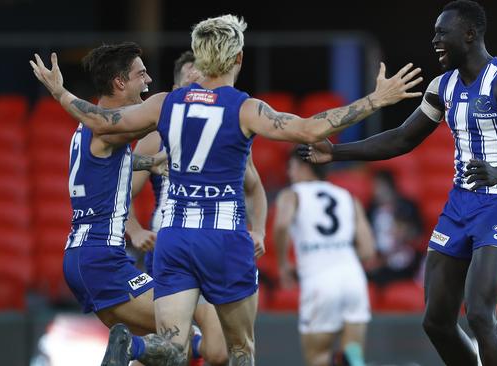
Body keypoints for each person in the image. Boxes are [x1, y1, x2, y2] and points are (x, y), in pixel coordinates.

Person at [30, 14, 424, 365]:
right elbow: (311, 128)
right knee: (240, 350)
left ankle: (135, 349)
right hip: (224, 238)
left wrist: (61, 92)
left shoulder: (167, 103)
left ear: (199, 59)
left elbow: (102, 120)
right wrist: (377, 99)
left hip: (175, 238)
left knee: (172, 344)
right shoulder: (245, 108)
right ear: (238, 59)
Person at [300, 1, 497, 365]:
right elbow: (402, 138)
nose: (434, 41)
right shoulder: (442, 87)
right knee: (436, 322)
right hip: (461, 202)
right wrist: (336, 153)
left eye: (442, 33)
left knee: (479, 313)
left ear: (469, 34)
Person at [126, 50, 268, 365]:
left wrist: (258, 230)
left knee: (215, 352)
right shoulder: (156, 134)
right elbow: (123, 190)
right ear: (179, 86)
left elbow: (255, 186)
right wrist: (134, 230)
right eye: (192, 77)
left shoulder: (226, 131)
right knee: (175, 349)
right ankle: (138, 354)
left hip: (213, 242)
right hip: (170, 245)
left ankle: (138, 351)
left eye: (201, 75)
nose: (199, 83)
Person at [53, 42, 186, 365]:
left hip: (83, 256)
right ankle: (132, 351)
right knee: (184, 334)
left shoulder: (94, 130)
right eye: (141, 74)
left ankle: (131, 350)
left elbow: (109, 161)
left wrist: (149, 162)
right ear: (119, 82)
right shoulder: (108, 124)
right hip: (101, 258)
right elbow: (153, 117)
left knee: (162, 348)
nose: (149, 80)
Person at [273, 151, 375, 366]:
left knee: (318, 357)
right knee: (353, 354)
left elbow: (282, 224)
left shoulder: (292, 195)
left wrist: (283, 264)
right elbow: (367, 250)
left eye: (291, 167)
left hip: (319, 280)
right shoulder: (347, 196)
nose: (289, 173)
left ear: (303, 166)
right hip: (352, 277)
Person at [366, 170, 424, 286]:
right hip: (380, 260)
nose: (376, 191)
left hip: (404, 258)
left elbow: (419, 233)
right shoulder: (371, 209)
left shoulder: (407, 206)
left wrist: (406, 232)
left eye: (379, 186)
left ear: (389, 186)